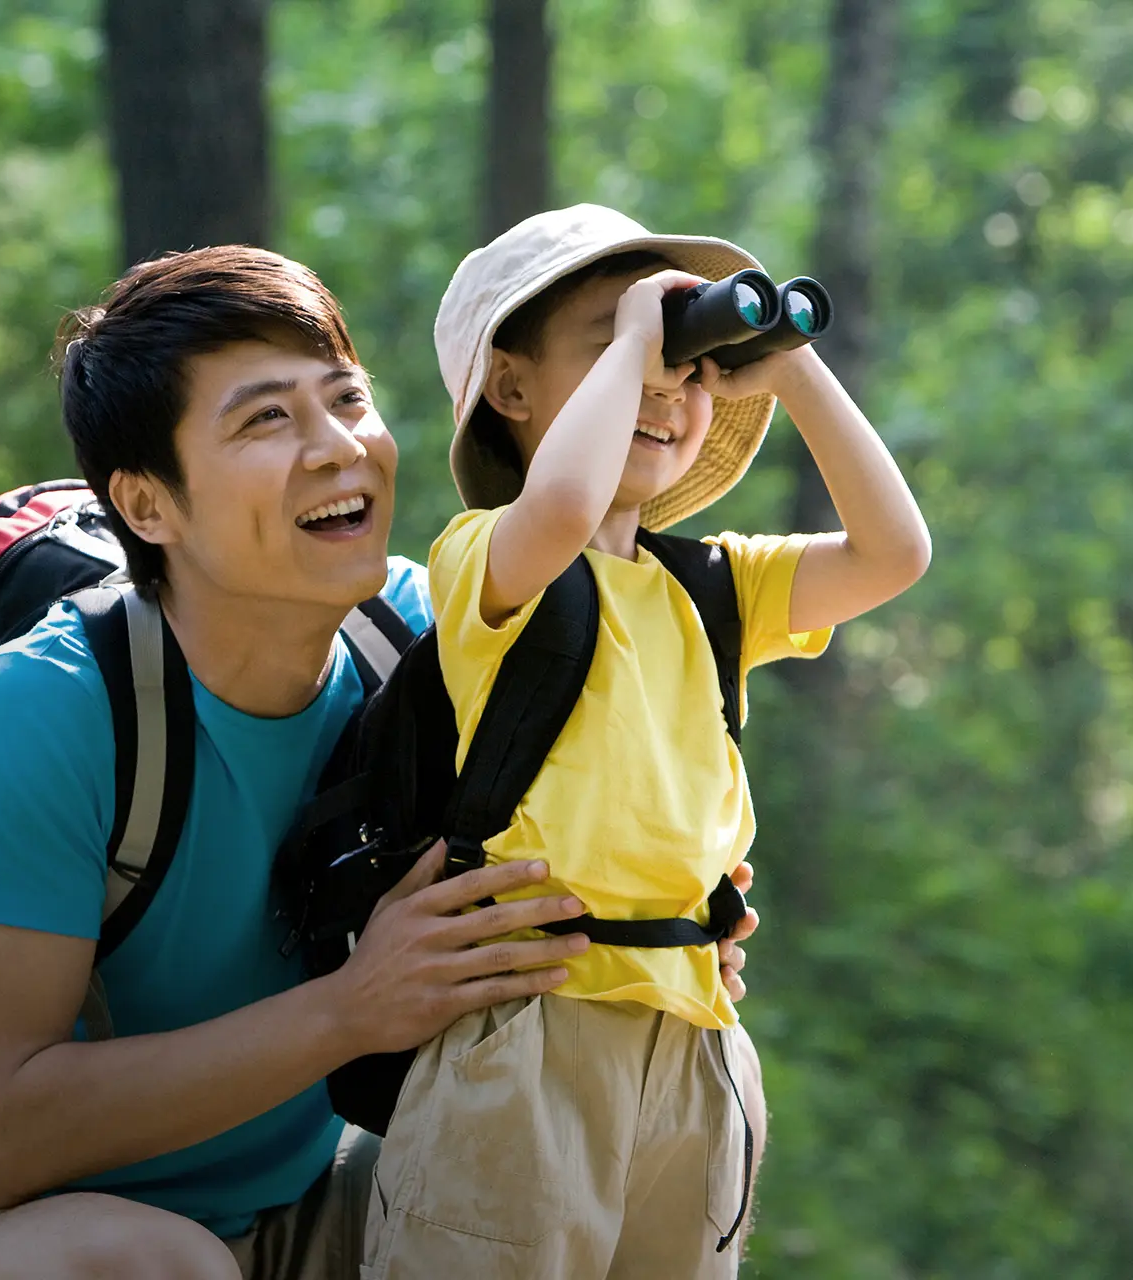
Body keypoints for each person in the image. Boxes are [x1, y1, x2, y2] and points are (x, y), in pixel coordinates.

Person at [0, 245, 761, 1280]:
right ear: (147, 505)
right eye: (267, 418)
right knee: (148, 1263)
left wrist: (658, 930)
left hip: (316, 1202)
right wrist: (353, 1007)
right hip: (35, 1236)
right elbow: (1, 1136)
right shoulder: (50, 708)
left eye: (347, 399)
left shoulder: (423, 635)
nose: (338, 448)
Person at [364, 204, 931, 1278]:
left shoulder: (713, 584)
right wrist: (643, 337)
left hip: (696, 1038)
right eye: (611, 338)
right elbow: (566, 501)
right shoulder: (485, 554)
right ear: (512, 387)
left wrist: (792, 367)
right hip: (528, 1033)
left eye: (691, 363)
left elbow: (895, 550)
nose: (668, 384)